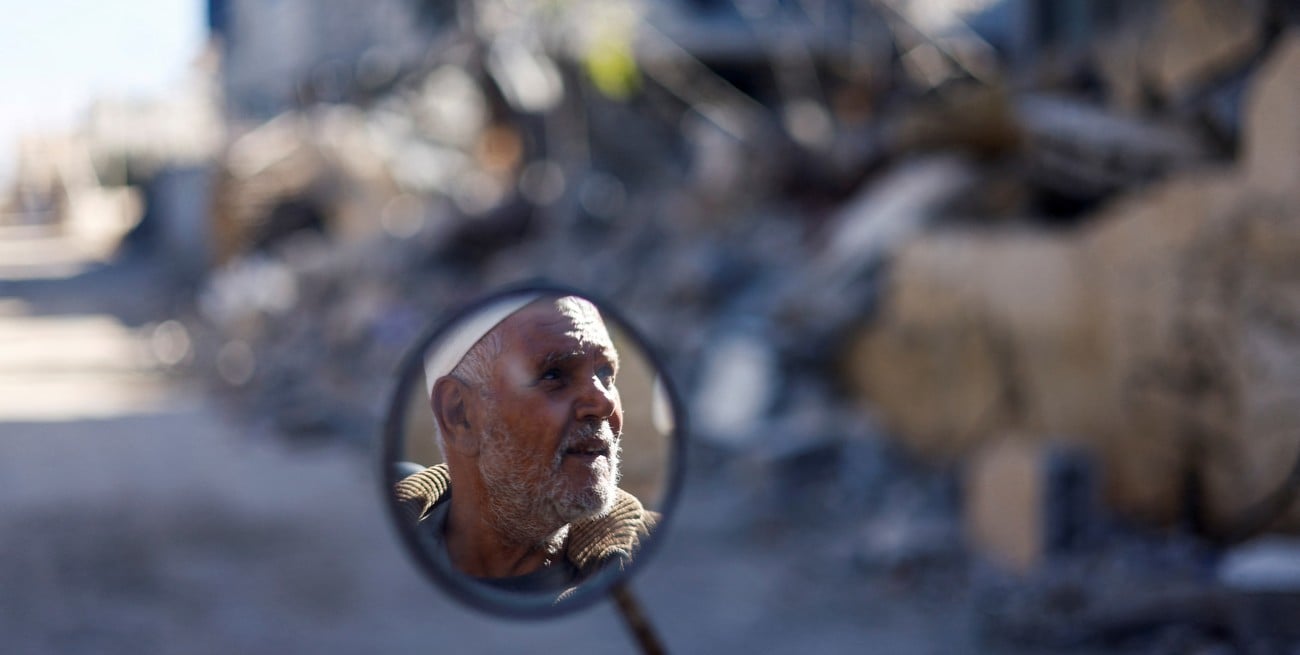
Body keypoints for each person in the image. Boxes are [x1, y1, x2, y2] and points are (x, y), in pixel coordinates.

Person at [394, 294, 657, 600]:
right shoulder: (379, 567)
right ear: (460, 415)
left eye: (605, 374)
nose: (604, 401)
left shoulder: (660, 563)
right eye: (554, 375)